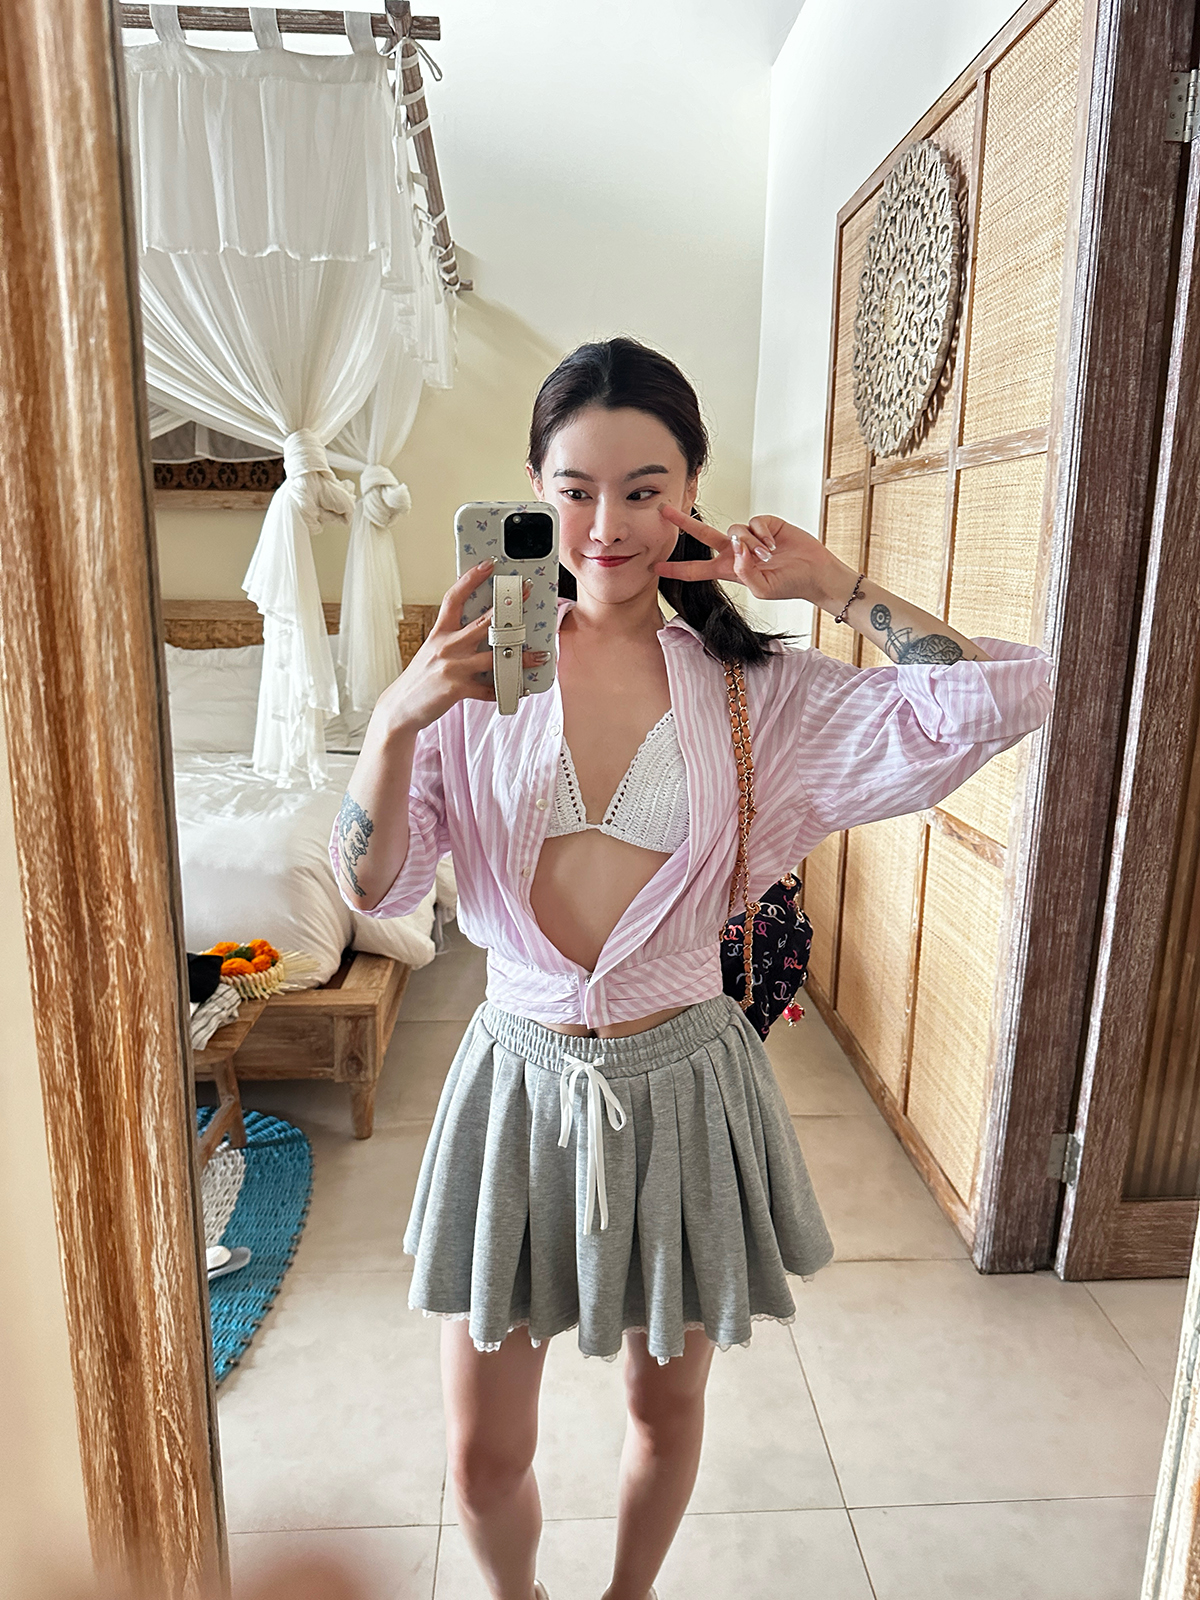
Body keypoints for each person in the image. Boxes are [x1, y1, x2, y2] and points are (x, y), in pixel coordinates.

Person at [331, 337, 1053, 1600]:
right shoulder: (470, 677)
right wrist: (393, 725)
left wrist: (836, 587)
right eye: (576, 489)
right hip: (517, 1089)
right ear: (534, 490)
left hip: (683, 1086)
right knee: (481, 1456)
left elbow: (994, 701)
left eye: (644, 489)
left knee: (663, 1414)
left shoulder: (749, 686)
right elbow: (374, 887)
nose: (607, 526)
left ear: (691, 496)